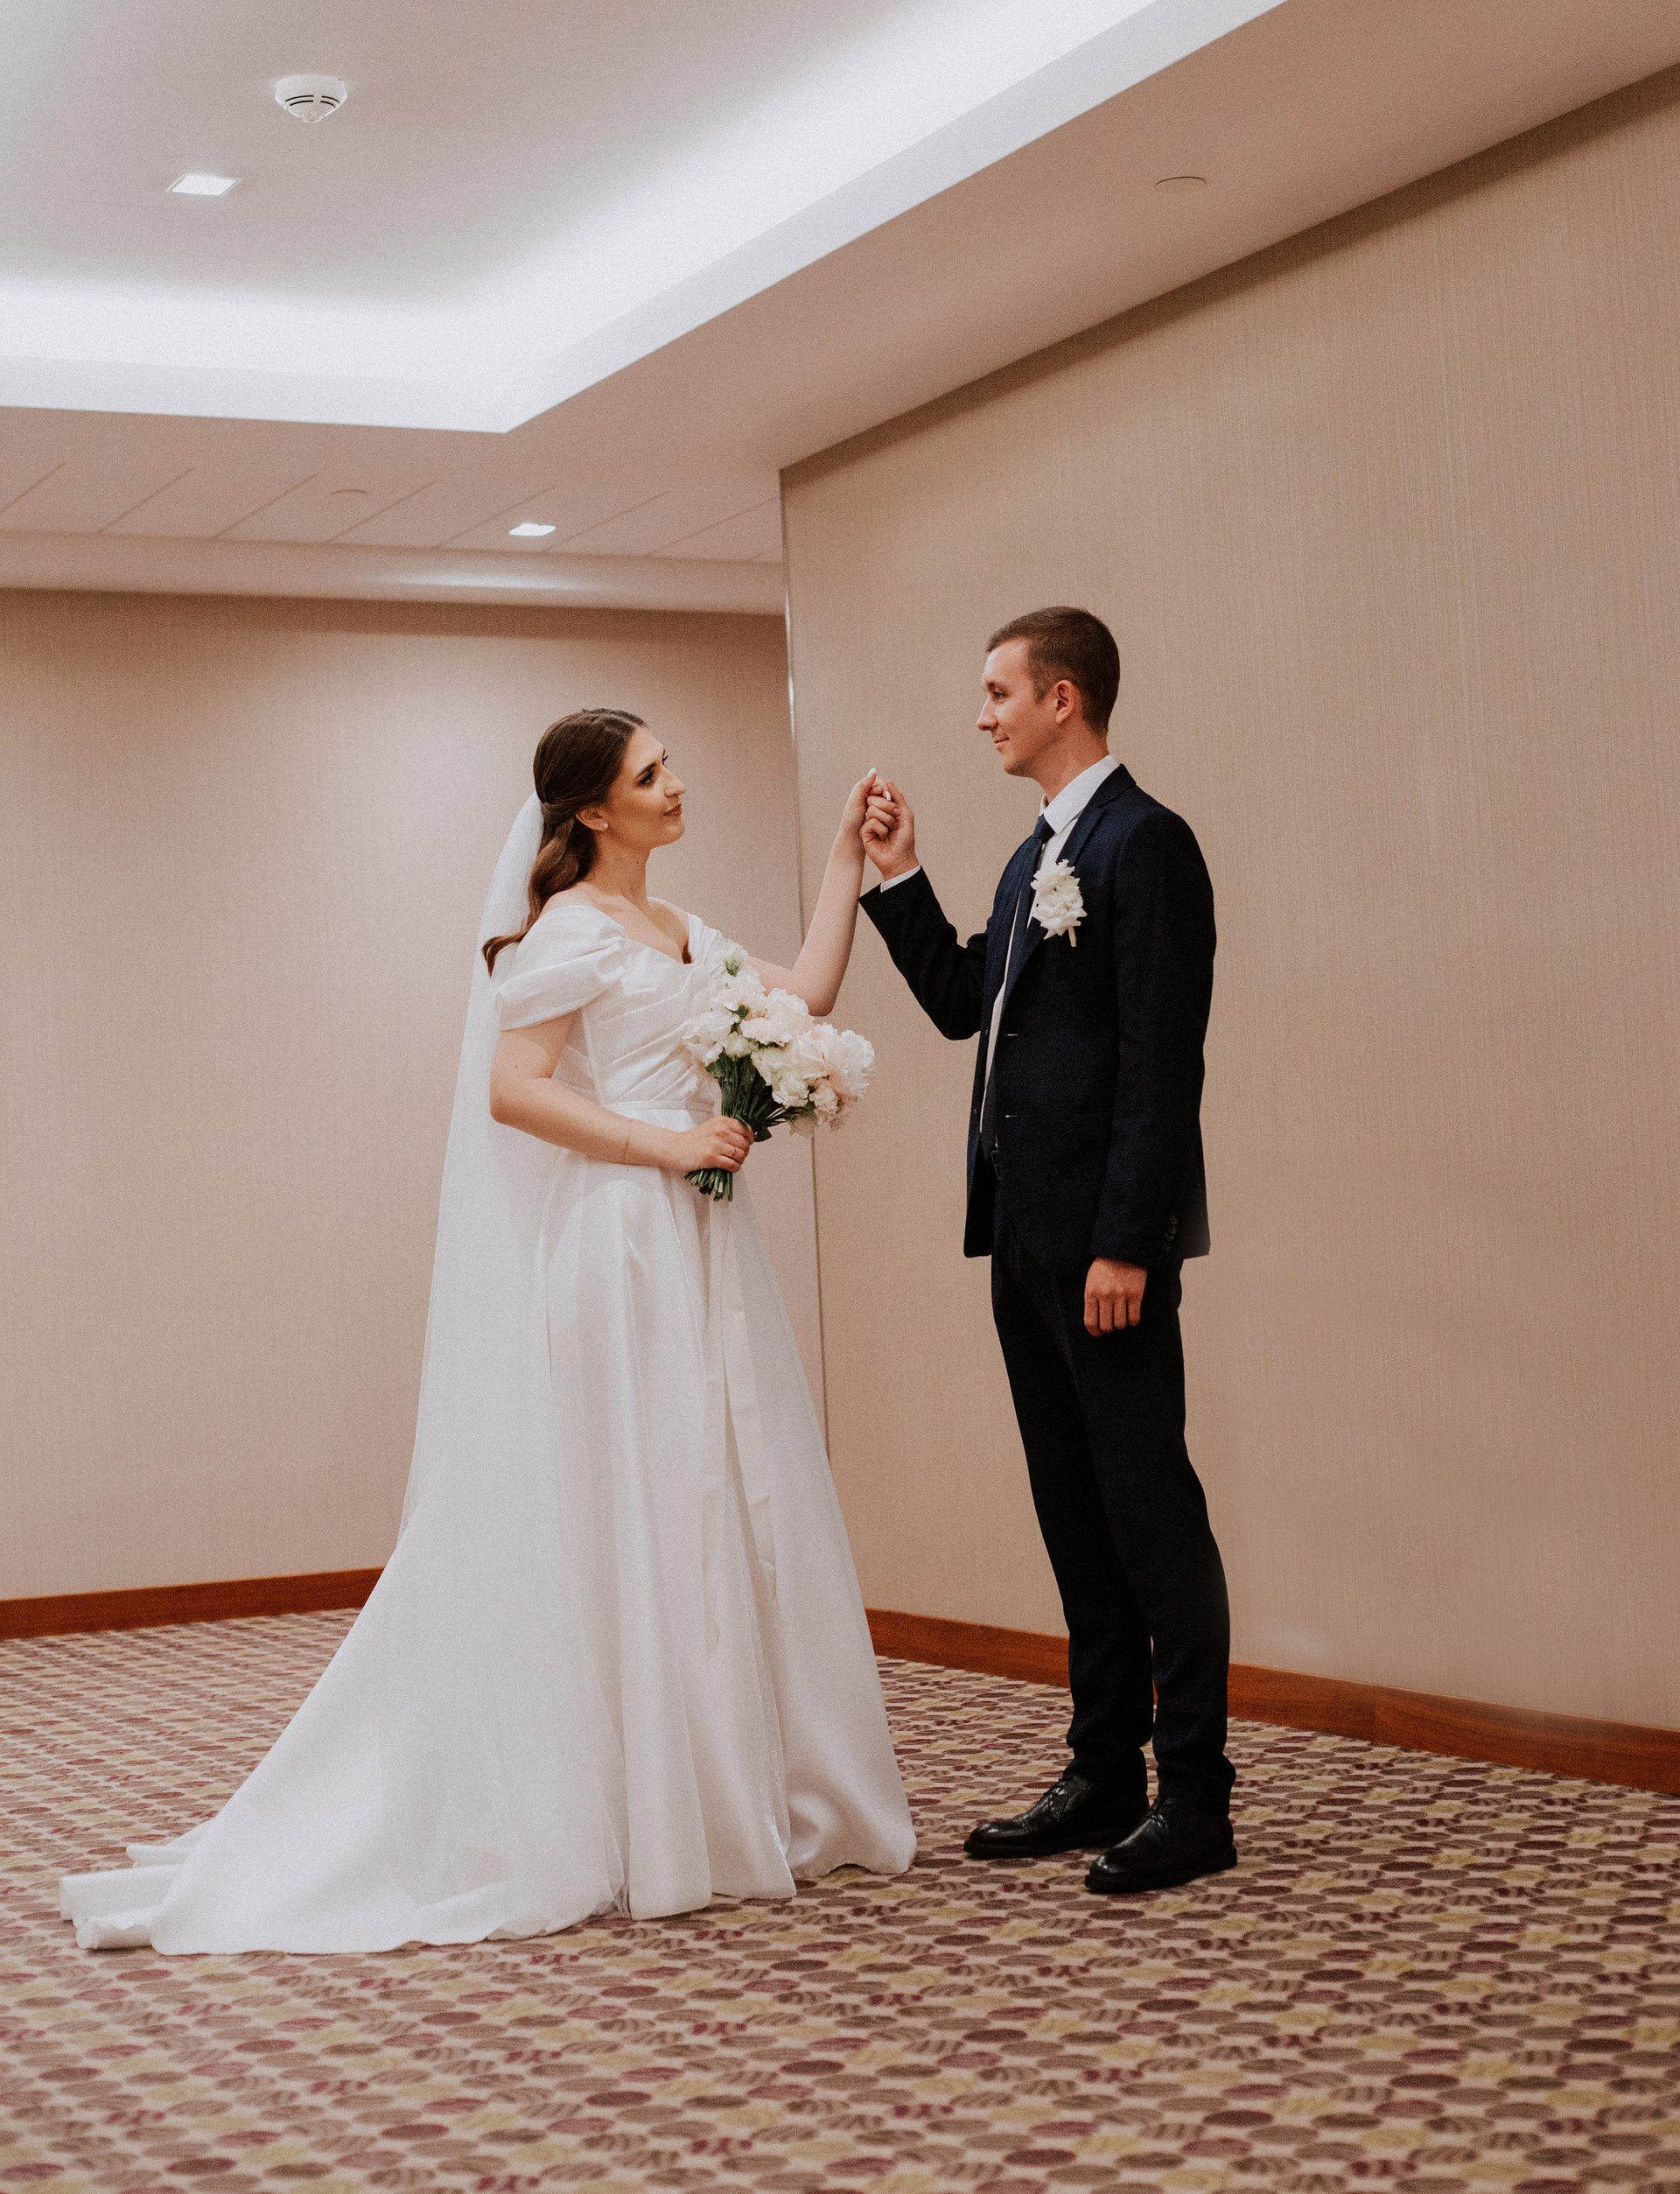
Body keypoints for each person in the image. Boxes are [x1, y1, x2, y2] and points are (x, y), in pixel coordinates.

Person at [61, 709, 913, 1952]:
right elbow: (514, 1092)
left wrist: (846, 857)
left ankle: (711, 1789)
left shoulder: (678, 929)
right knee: (630, 1496)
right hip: (620, 1241)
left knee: (705, 1492)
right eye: (652, 774)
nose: (677, 785)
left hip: (701, 1241)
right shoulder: (566, 934)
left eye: (670, 764)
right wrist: (666, 1142)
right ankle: (630, 1805)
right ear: (594, 811)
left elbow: (810, 991)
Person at [858, 608, 1234, 1896]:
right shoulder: (1037, 857)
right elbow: (970, 1003)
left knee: (1150, 1512)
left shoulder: (1146, 843)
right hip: (1022, 1239)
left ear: (1062, 698)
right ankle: (1103, 1771)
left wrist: (1128, 1242)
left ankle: (1195, 1796)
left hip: (1105, 1255)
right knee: (1074, 1511)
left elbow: (1159, 1065)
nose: (983, 716)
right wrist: (901, 878)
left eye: (998, 693)